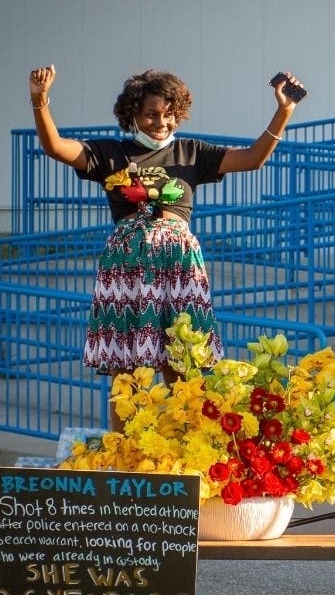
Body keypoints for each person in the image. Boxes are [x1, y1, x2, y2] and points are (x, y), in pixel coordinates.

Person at [28, 65, 306, 431]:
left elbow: (253, 158)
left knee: (183, 363)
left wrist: (284, 111)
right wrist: (40, 102)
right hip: (129, 264)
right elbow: (56, 148)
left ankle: (185, 451)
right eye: (151, 114)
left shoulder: (191, 153)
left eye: (170, 114)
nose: (162, 121)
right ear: (133, 116)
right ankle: (124, 455)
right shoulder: (111, 152)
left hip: (179, 264)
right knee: (127, 370)